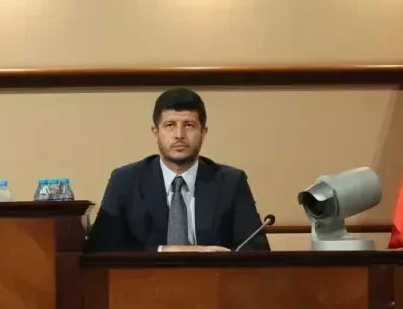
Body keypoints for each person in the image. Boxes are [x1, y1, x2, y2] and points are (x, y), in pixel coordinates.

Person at [85, 88, 270, 252]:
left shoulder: (230, 182)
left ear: (203, 133)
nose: (179, 135)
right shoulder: (126, 180)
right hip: (146, 279)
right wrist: (162, 251)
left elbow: (257, 249)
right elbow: (101, 247)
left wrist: (225, 258)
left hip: (212, 277)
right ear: (156, 133)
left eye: (189, 125)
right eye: (170, 125)